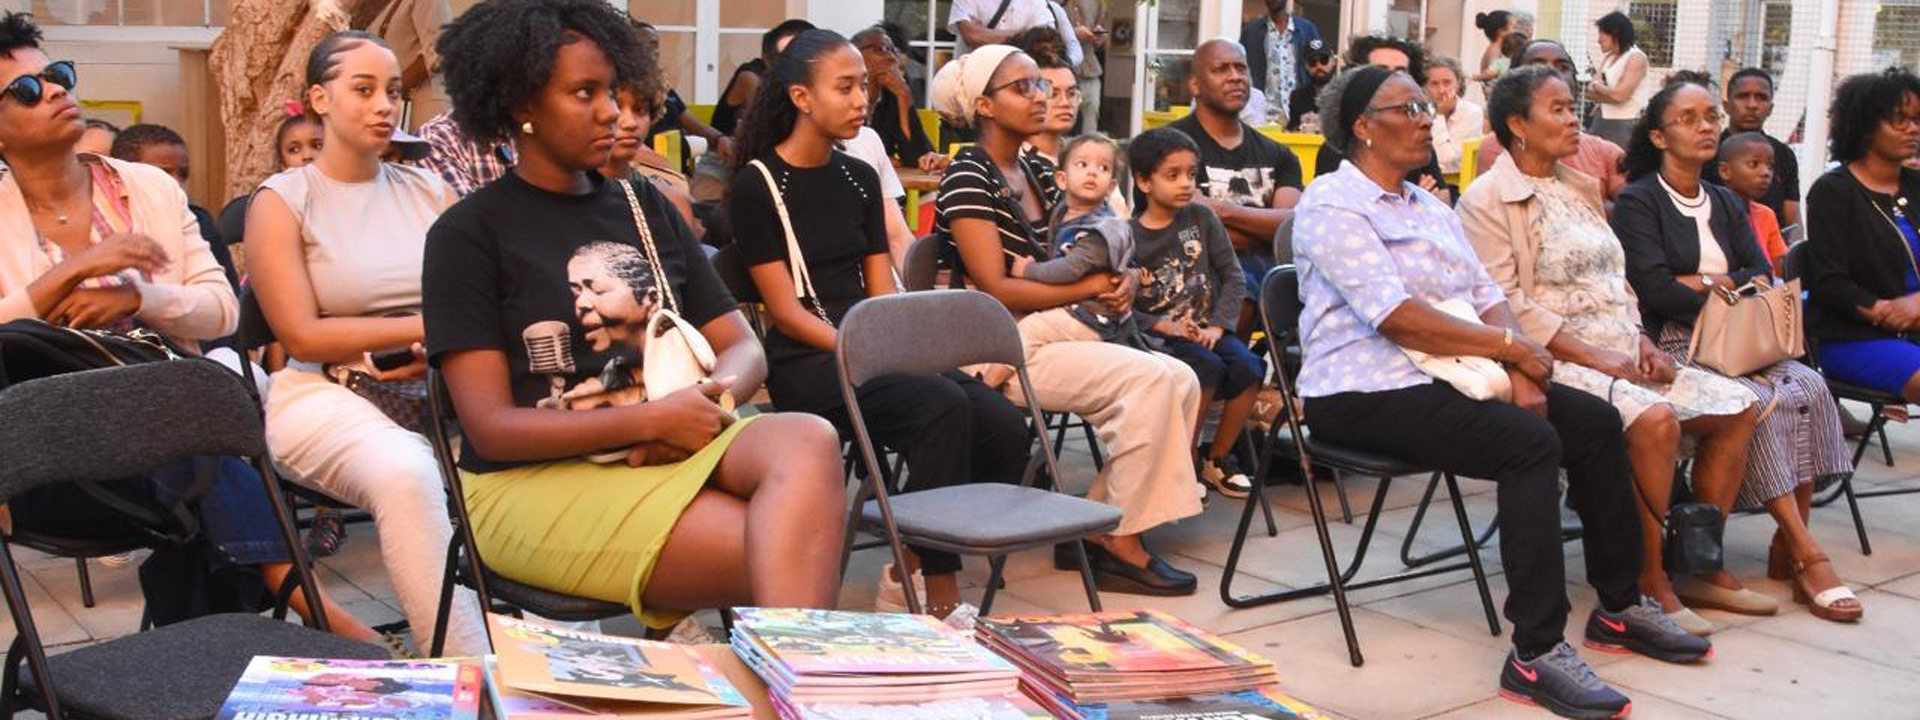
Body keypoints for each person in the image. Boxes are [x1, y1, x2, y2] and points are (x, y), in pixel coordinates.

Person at [1295, 65, 1708, 720]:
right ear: (1363, 128)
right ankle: (1535, 652)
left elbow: (1488, 296)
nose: (1426, 118)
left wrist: (1517, 367)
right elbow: (1396, 316)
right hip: (1361, 389)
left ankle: (1620, 606)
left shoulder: (1429, 207)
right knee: (1528, 444)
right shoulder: (1331, 203)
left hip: (1456, 371)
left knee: (1596, 423)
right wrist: (1513, 352)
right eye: (1409, 109)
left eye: (1427, 105)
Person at [426, 0, 846, 633]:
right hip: (532, 481)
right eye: (585, 93)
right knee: (785, 546)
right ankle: (799, 678)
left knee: (810, 438)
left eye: (613, 90)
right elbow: (491, 430)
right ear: (520, 103)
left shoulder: (642, 204)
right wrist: (649, 421)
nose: (611, 112)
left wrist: (699, 405)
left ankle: (784, 677)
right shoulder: (468, 234)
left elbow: (743, 347)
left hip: (668, 442)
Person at [0, 11, 376, 647]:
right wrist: (72, 272)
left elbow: (221, 310)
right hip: (51, 460)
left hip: (165, 433)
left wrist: (139, 295)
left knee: (193, 445)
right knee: (199, 432)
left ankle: (216, 656)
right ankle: (313, 607)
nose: (57, 90)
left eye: (58, 74)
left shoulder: (148, 188)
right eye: (28, 90)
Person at [728, 29, 1030, 624]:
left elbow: (878, 289)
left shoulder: (859, 177)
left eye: (863, 86)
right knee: (941, 406)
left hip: (874, 341)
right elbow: (785, 312)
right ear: (801, 97)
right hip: (809, 359)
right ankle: (933, 585)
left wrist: (895, 343)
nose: (861, 99)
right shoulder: (757, 186)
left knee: (1002, 424)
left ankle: (911, 558)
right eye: (844, 87)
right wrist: (863, 348)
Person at [1461, 66, 1765, 638]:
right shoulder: (1488, 200)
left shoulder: (1578, 188)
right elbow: (1500, 300)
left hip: (1623, 349)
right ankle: (1649, 580)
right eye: (1557, 109)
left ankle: (1696, 561)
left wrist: (1643, 339)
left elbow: (1617, 282)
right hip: (1554, 360)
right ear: (1518, 124)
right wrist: (1590, 354)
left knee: (1738, 407)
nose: (1573, 118)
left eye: (1572, 106)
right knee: (1655, 421)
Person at [247, 30, 488, 655]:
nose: (385, 105)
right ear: (318, 99)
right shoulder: (282, 200)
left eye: (393, 91)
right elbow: (302, 334)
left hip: (437, 383)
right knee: (407, 472)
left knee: (538, 447)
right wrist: (427, 328)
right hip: (322, 392)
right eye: (363, 89)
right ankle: (466, 666)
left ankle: (559, 660)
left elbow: (478, 300)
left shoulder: (429, 190)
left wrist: (438, 342)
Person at [932, 45, 1203, 595]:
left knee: (1183, 377)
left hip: (1057, 326)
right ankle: (1119, 542)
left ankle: (1100, 525)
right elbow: (994, 285)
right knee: (1150, 380)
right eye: (1023, 87)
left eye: (1042, 84)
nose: (1041, 96)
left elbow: (1097, 240)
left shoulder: (1038, 168)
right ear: (984, 104)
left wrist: (1123, 280)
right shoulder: (968, 174)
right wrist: (1092, 288)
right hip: (997, 342)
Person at [1611, 76, 1861, 624]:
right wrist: (1724, 287)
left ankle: (1786, 545)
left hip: (1743, 338)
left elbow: (1761, 271)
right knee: (1760, 401)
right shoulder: (1638, 201)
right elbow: (1654, 288)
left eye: (1710, 117)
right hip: (1676, 339)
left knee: (1809, 388)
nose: (1705, 127)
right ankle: (1803, 553)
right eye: (1689, 119)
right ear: (1658, 136)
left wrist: (1704, 281)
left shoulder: (1725, 200)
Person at [1125, 128, 1259, 499]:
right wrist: (1163, 325)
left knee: (1250, 368)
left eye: (1191, 173)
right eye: (1173, 175)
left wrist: (1218, 326)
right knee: (1206, 369)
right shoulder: (1127, 236)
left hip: (1206, 331)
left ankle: (1217, 457)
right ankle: (1182, 460)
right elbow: (1121, 307)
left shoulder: (1201, 218)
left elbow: (1233, 276)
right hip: (1160, 338)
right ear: (1144, 181)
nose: (1186, 183)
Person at [1165, 39, 1301, 331]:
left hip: (1271, 272)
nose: (1235, 77)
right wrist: (1261, 229)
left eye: (1241, 68)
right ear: (1195, 85)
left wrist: (1216, 210)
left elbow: (1289, 228)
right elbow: (1178, 231)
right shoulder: (1167, 147)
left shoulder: (1279, 155)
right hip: (1194, 271)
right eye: (1221, 69)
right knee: (1238, 291)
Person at [1806, 69, 1920, 406]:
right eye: (1900, 119)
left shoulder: (1916, 185)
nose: (1913, 128)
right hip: (1854, 337)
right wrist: (1886, 311)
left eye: (1917, 119)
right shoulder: (1832, 192)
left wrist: (1916, 305)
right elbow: (1829, 282)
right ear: (1867, 125)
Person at [1474, 39, 1626, 205]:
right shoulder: (1498, 149)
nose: (1552, 75)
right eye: (1537, 67)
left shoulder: (1605, 152)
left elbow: (1636, 207)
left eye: (1563, 67)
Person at [1313, 35, 1449, 200]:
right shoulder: (1339, 149)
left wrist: (1421, 199)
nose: (1392, 80)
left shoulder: (1417, 141)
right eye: (1381, 71)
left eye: (1401, 72)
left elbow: (1443, 195)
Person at [109, 123, 238, 290]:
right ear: (120, 175)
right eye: (162, 174)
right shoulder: (103, 219)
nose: (176, 183)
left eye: (183, 174)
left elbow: (226, 294)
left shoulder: (199, 221)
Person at [1702, 68, 1800, 229]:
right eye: (1743, 96)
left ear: (1771, 108)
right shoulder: (1707, 151)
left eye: (1761, 97)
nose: (1752, 105)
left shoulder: (1784, 155)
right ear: (1726, 106)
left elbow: (1794, 223)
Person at [852, 26, 946, 171]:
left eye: (893, 50)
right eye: (882, 49)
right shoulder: (844, 97)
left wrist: (904, 96)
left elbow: (918, 159)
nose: (892, 57)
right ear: (856, 54)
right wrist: (881, 159)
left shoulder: (891, 96)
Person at [709, 20, 815, 139]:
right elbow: (769, 127)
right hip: (729, 148)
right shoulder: (751, 77)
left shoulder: (798, 81)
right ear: (767, 57)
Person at [1238, 0, 1321, 128]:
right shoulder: (1251, 32)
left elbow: (1318, 68)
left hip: (1301, 118)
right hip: (1263, 118)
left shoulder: (1306, 30)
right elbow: (1241, 69)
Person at [1009, 27, 1081, 166]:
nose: (1065, 103)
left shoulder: (1087, 160)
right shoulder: (1010, 164)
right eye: (1052, 94)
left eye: (1071, 93)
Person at [1717, 133, 1788, 273]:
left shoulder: (1766, 215)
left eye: (1770, 166)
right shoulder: (1709, 212)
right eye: (1754, 164)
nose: (1766, 173)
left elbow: (1780, 268)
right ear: (1725, 171)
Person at [1585, 11, 1650, 150]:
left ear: (1615, 34)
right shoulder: (1609, 58)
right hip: (1601, 120)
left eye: (1601, 34)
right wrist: (1610, 93)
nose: (1598, 40)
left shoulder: (1636, 58)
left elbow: (1620, 96)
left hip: (1624, 123)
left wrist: (1599, 87)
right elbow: (1589, 92)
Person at [948, 0, 1080, 65]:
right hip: (970, 79)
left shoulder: (1040, 4)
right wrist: (1025, 36)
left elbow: (1040, 41)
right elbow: (972, 36)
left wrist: (986, 33)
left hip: (1019, 81)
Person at [1426, 55, 1483, 176]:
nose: (1441, 90)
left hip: (1453, 180)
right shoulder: (1423, 111)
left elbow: (1445, 158)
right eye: (1434, 84)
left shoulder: (1472, 112)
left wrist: (1440, 115)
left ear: (1458, 83)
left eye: (1447, 83)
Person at [1064, 0, 1107, 133]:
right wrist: (1072, 33)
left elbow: (1101, 40)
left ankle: (1089, 144)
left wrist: (1099, 36)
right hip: (1063, 69)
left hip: (1090, 69)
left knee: (1092, 112)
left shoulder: (1098, 3)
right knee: (1062, 115)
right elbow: (1042, 32)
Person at [1285, 39, 1335, 132]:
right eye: (1312, 62)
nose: (1319, 66)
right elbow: (1291, 130)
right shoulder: (1297, 97)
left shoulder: (1345, 93)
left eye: (1324, 60)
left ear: (1333, 61)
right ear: (1306, 66)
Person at [1469, 10, 1518, 88]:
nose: (1517, 32)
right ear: (1501, 31)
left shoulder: (1500, 50)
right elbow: (1491, 82)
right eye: (1514, 27)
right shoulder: (1495, 52)